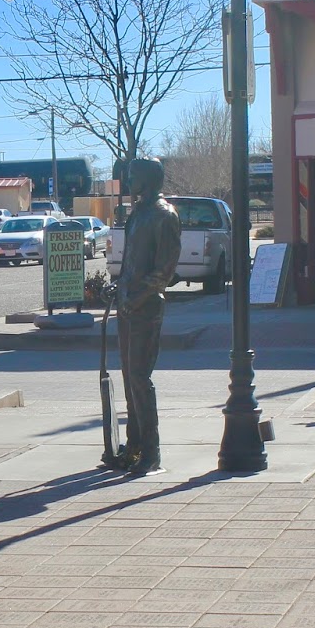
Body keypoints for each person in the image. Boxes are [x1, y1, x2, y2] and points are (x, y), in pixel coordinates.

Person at [107, 156, 181, 475]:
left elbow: (164, 269)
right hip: (127, 305)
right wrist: (119, 287)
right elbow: (130, 261)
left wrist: (137, 297)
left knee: (140, 378)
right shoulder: (138, 212)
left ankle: (152, 452)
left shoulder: (165, 216)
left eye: (133, 176)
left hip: (146, 307)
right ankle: (134, 446)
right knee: (128, 378)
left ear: (148, 179)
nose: (128, 181)